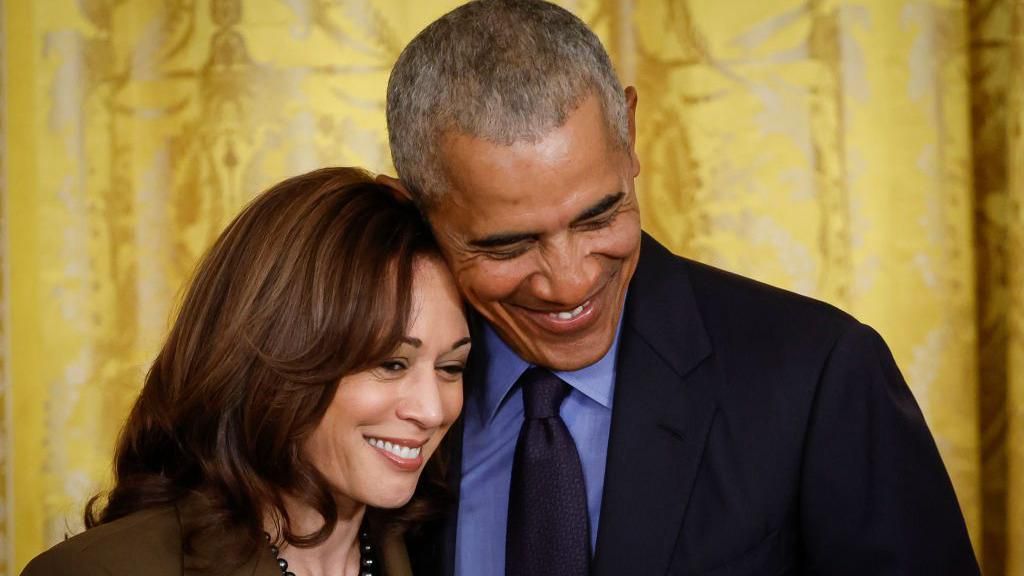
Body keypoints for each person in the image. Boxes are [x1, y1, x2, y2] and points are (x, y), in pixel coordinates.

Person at [381, 1, 981, 575]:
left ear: (631, 133)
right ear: (415, 213)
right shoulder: (365, 393)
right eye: (508, 245)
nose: (571, 283)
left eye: (599, 216)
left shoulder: (820, 375)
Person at [22, 167, 471, 576]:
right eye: (391, 364)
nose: (432, 411)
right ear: (279, 357)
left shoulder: (447, 555)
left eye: (451, 367)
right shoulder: (98, 570)